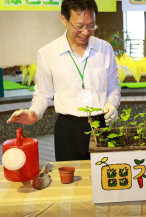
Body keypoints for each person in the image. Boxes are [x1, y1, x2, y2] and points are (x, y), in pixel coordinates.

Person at [7, 0, 121, 161]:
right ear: (64, 19)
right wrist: (34, 113)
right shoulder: (48, 53)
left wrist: (112, 103)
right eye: (79, 26)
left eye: (91, 26)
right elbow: (43, 93)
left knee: (105, 177)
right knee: (70, 182)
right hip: (69, 128)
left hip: (102, 124)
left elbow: (113, 86)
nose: (86, 32)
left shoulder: (105, 49)